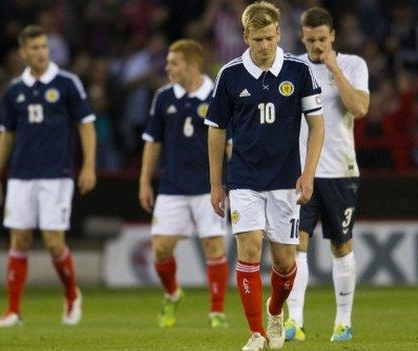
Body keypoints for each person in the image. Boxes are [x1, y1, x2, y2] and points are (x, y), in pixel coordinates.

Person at [205, 2, 325, 350]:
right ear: (245, 37)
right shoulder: (229, 74)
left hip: (286, 180)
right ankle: (256, 333)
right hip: (243, 179)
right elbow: (215, 131)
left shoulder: (298, 71)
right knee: (250, 250)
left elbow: (317, 125)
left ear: (279, 34)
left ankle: (275, 311)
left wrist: (308, 173)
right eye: (257, 39)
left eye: (270, 38)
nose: (264, 46)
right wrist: (216, 184)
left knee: (286, 262)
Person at [0, 25, 96, 327]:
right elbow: (6, 134)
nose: (40, 52)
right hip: (21, 174)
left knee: (52, 241)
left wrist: (88, 166)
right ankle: (13, 311)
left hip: (56, 174)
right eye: (34, 48)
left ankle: (72, 294)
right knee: (19, 239)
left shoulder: (66, 83)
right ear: (23, 52)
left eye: (44, 47)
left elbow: (86, 125)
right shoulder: (14, 89)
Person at [284, 7, 369, 343]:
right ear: (301, 38)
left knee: (341, 245)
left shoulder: (352, 65)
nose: (317, 45)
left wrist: (333, 68)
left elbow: (360, 109)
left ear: (333, 35)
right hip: (302, 173)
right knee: (295, 246)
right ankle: (296, 322)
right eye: (310, 40)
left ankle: (343, 323)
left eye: (322, 38)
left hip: (340, 170)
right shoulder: (293, 68)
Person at [138, 39, 229, 328]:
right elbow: (153, 142)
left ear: (192, 65)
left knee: (214, 247)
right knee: (161, 248)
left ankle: (216, 312)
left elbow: (230, 142)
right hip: (173, 186)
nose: (167, 68)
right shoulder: (164, 97)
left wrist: (234, 179)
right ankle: (173, 293)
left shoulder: (217, 95)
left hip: (208, 186)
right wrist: (144, 181)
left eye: (173, 63)